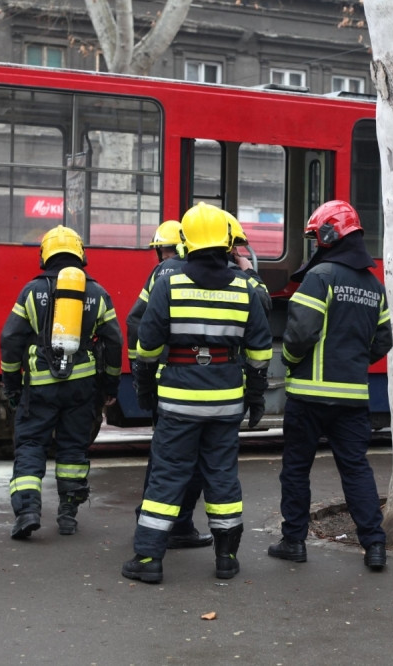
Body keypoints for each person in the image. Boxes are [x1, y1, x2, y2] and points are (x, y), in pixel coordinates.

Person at [122, 202, 272, 584]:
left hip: (177, 399)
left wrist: (145, 389)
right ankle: (226, 558)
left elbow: (148, 345)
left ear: (185, 242)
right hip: (225, 403)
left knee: (168, 476)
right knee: (221, 476)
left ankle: (148, 559)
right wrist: (254, 398)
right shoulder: (245, 289)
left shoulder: (169, 284)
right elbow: (258, 352)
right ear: (226, 243)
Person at [267, 200, 392, 571]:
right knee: (356, 470)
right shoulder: (374, 285)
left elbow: (300, 333)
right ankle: (375, 546)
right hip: (353, 398)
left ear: (329, 234)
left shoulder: (319, 277)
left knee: (296, 469)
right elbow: (383, 341)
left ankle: (294, 542)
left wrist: (288, 362)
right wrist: (354, 362)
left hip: (308, 395)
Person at [1, 225, 123, 540]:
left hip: (39, 385)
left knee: (30, 445)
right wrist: (110, 387)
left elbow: (10, 339)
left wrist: (12, 385)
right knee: (73, 447)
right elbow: (113, 341)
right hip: (82, 386)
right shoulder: (97, 292)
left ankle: (27, 511)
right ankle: (68, 516)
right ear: (80, 255)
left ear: (46, 255)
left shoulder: (31, 291)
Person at [127, 219, 212, 550]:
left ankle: (149, 521)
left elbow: (137, 319)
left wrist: (143, 368)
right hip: (196, 381)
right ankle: (177, 525)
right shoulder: (211, 274)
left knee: (163, 457)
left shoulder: (161, 274)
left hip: (163, 381)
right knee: (195, 460)